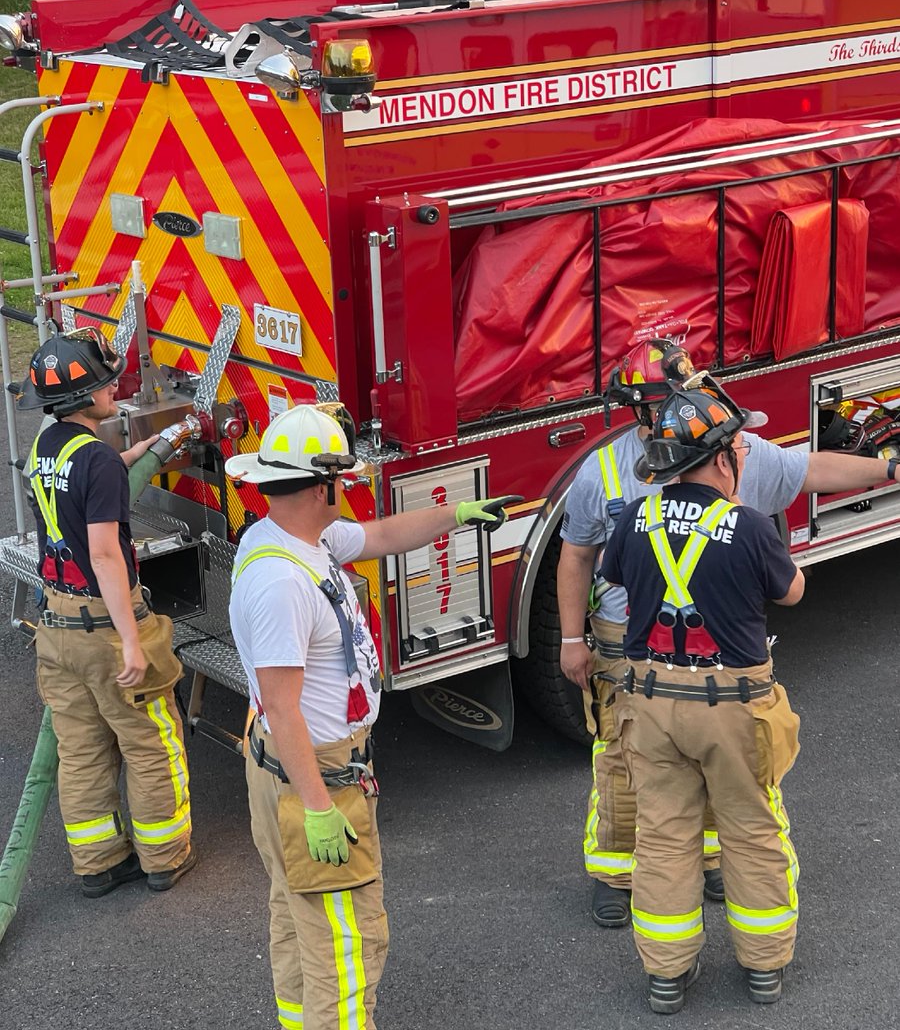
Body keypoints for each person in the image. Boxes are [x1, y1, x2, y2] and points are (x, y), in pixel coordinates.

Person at [559, 338, 900, 930]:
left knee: (714, 754)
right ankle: (615, 873)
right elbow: (576, 556)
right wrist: (571, 640)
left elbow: (808, 469)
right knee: (620, 756)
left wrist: (890, 468)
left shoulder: (721, 441)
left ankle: (713, 861)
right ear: (647, 409)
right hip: (628, 639)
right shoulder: (604, 470)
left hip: (709, 643)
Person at [226, 403, 518, 1030]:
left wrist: (455, 516)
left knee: (299, 915)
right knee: (348, 941)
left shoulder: (295, 537)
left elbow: (381, 536)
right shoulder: (283, 582)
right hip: (315, 775)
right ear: (322, 485)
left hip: (295, 769)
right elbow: (282, 707)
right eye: (342, 479)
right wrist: (320, 807)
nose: (348, 488)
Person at [599, 385, 804, 1013]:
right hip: (732, 708)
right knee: (750, 828)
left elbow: (612, 576)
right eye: (738, 446)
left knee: (663, 834)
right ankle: (764, 966)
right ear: (721, 460)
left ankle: (666, 975)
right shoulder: (744, 525)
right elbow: (791, 592)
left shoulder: (634, 516)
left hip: (650, 704)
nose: (744, 452)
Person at [19, 328, 199, 896]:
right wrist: (129, 638)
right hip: (103, 625)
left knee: (82, 749)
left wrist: (144, 449)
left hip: (56, 628)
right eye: (106, 381)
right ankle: (164, 857)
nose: (115, 386)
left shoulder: (50, 445)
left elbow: (85, 480)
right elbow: (103, 552)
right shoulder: (94, 461)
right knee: (149, 741)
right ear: (87, 397)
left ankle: (97, 863)